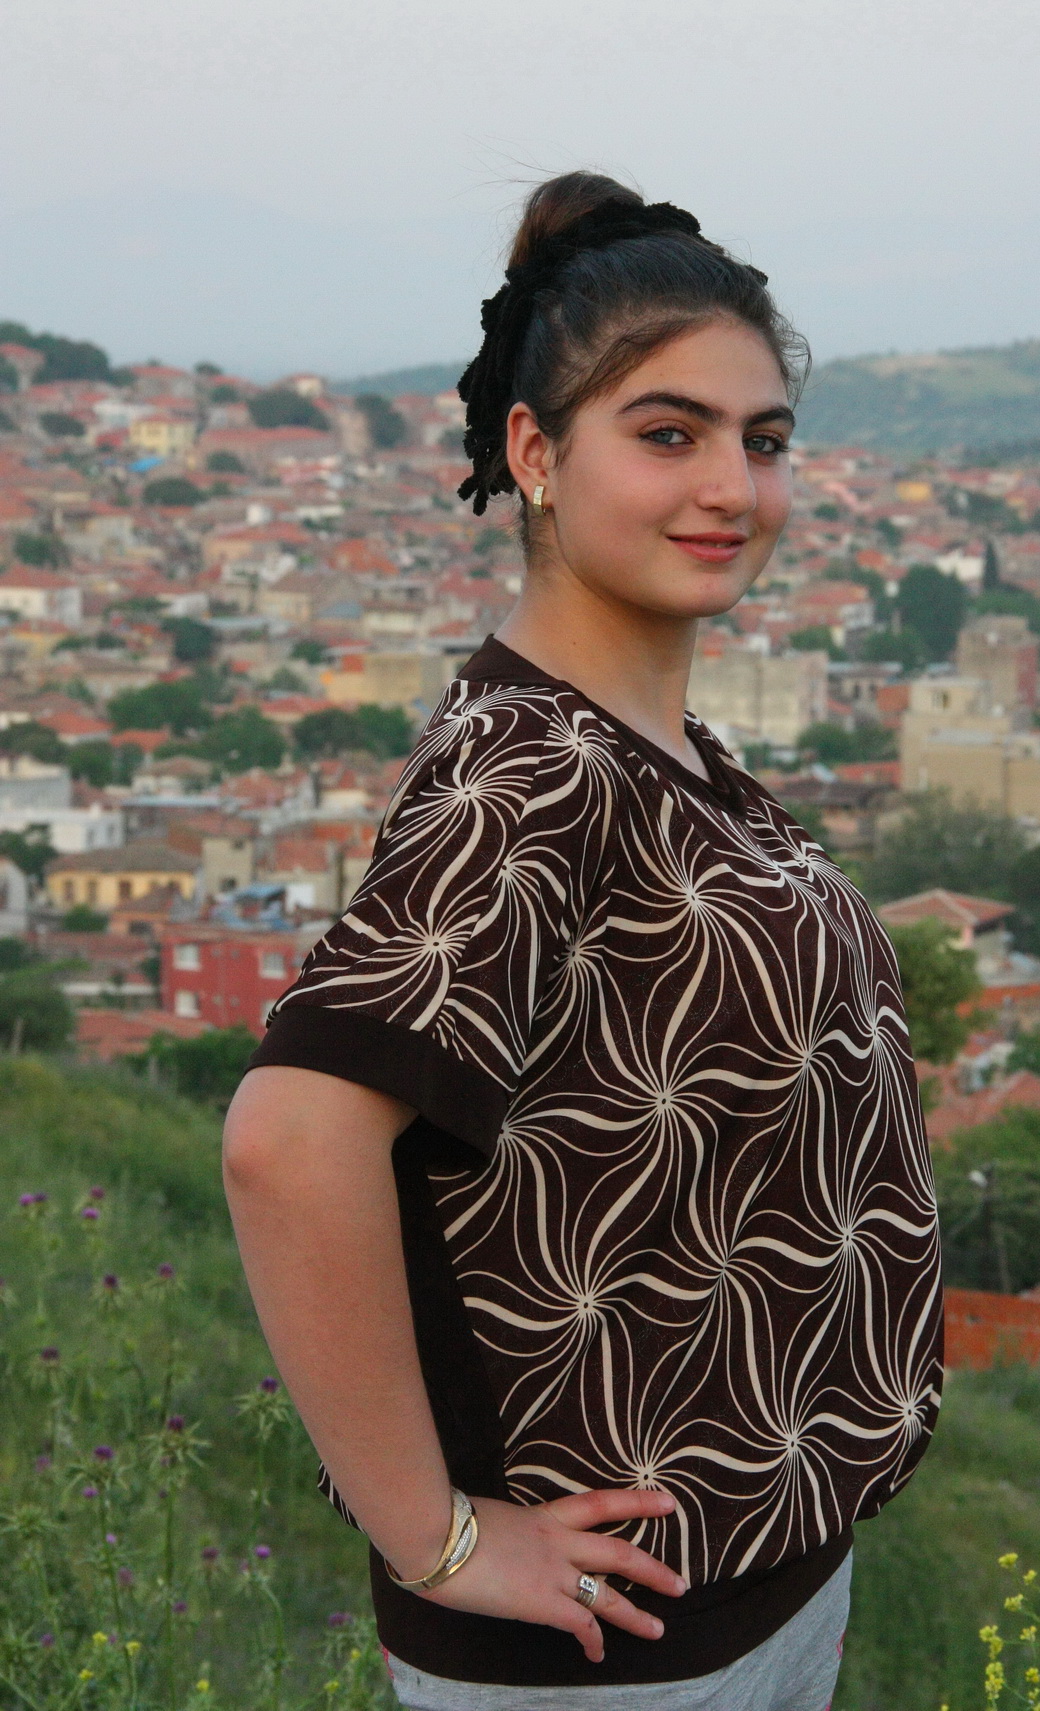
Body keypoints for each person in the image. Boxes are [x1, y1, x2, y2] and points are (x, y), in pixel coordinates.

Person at [223, 170, 943, 1711]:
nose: (732, 487)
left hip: (750, 1586)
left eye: (764, 441)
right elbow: (288, 1145)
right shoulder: (531, 771)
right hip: (605, 1653)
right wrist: (437, 1541)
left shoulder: (656, 744)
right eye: (668, 434)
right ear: (535, 454)